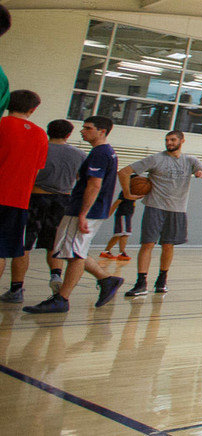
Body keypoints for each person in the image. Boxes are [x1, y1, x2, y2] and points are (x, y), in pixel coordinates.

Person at [24, 116, 121, 314]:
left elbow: (95, 185)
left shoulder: (100, 153)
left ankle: (63, 298)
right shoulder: (101, 152)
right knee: (74, 251)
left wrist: (83, 213)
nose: (82, 131)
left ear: (102, 131)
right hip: (86, 209)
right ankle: (107, 280)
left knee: (75, 254)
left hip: (84, 210)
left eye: (88, 128)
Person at [120, 129, 202, 297]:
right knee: (147, 244)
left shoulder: (190, 160)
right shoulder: (156, 159)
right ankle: (141, 283)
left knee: (168, 245)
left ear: (182, 141)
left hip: (177, 209)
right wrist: (127, 193)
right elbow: (124, 172)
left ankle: (162, 280)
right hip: (155, 207)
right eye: (167, 140)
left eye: (172, 140)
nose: (169, 143)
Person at [0, 91, 49, 304]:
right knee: (2, 249)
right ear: (33, 109)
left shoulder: (2, 124)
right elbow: (37, 170)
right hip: (19, 199)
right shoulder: (40, 134)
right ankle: (16, 289)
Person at [25, 119, 81, 292]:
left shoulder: (37, 148)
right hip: (63, 200)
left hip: (35, 197)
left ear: (48, 131)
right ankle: (56, 275)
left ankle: (16, 287)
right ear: (69, 134)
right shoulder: (79, 154)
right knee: (54, 243)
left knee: (25, 244)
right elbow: (82, 179)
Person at [101, 189, 136, 261]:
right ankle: (122, 253)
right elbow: (117, 202)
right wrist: (108, 214)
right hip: (123, 215)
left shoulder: (134, 192)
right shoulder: (125, 191)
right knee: (125, 234)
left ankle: (106, 252)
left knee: (117, 235)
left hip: (126, 215)